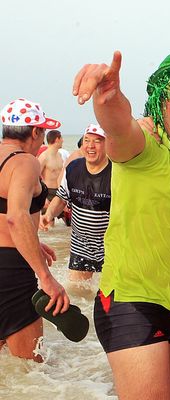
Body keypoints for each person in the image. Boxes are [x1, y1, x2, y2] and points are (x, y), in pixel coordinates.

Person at [72, 49, 170, 399]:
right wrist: (109, 98)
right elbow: (118, 126)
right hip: (129, 303)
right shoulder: (143, 146)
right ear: (160, 103)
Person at [0, 98, 70, 362]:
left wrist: (32, 242)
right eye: (41, 132)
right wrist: (46, 277)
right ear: (35, 132)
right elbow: (16, 218)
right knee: (32, 368)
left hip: (7, 259)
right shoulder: (25, 162)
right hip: (11, 273)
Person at [40, 124, 111, 285]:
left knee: (109, 297)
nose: (90, 146)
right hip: (81, 245)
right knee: (78, 292)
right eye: (87, 140)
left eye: (97, 141)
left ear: (108, 144)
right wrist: (49, 215)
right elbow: (62, 197)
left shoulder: (117, 173)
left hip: (110, 247)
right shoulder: (73, 168)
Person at [37, 129, 65, 200]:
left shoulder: (60, 155)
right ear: (57, 139)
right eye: (61, 138)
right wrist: (43, 197)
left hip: (59, 192)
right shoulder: (44, 156)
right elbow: (35, 177)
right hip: (48, 192)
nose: (63, 140)